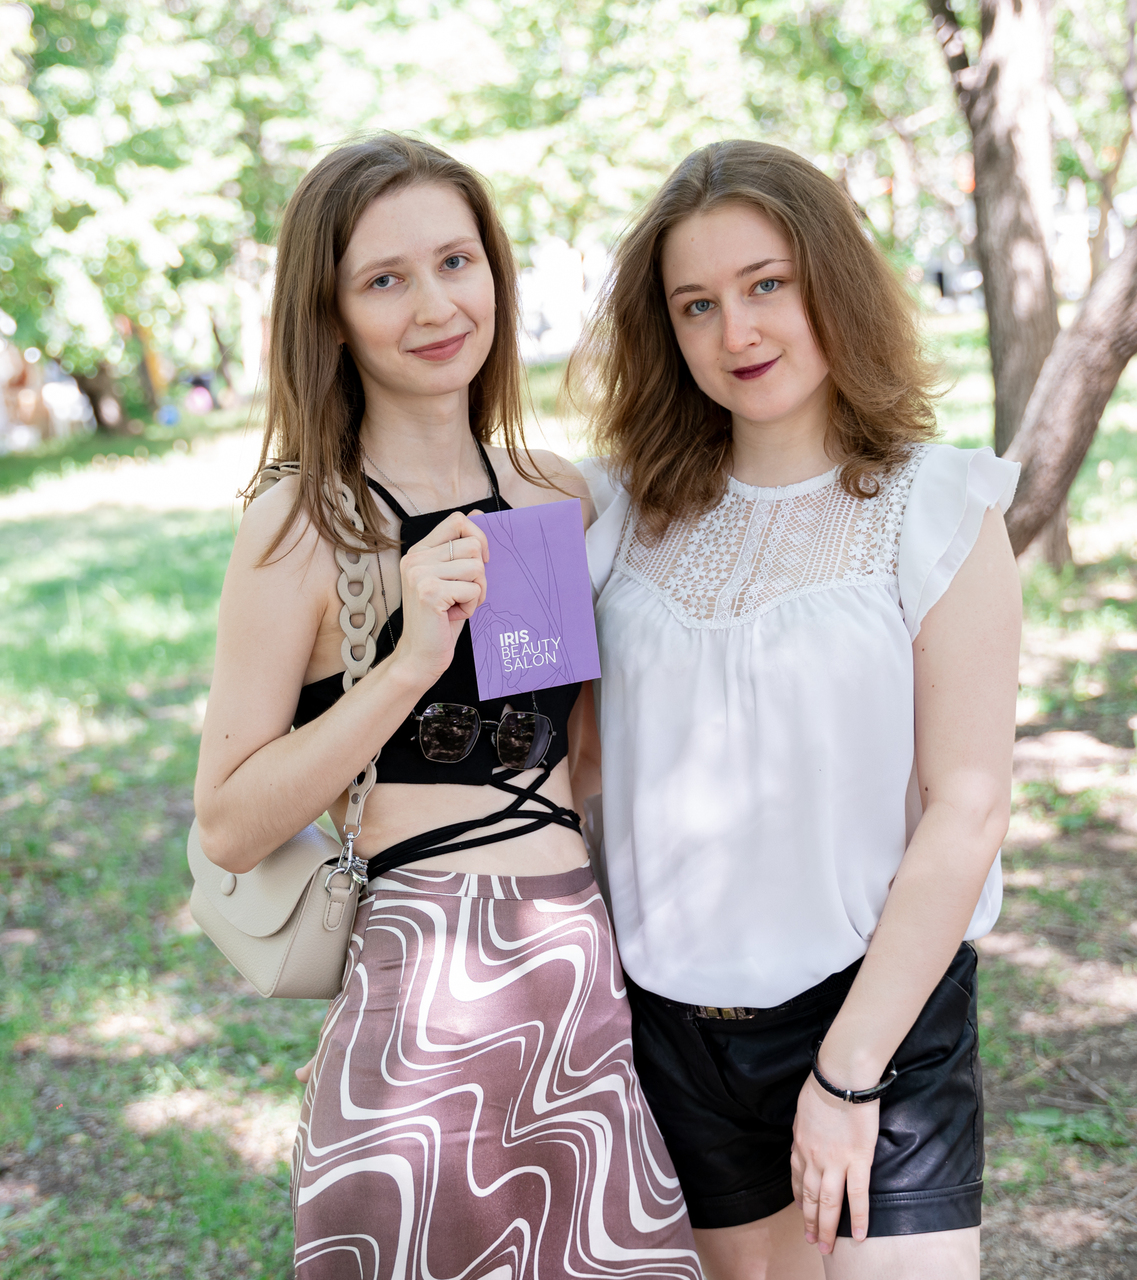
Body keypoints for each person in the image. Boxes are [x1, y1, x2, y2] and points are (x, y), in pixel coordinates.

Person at [192, 133, 701, 1279]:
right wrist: (410, 660)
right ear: (331, 316)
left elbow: (574, 762)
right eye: (385, 278)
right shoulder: (300, 527)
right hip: (424, 997)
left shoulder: (551, 497)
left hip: (578, 975)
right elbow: (228, 822)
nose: (434, 305)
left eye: (456, 262)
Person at [574, 139, 1021, 1279]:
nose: (738, 332)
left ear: (831, 279)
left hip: (878, 1016)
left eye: (766, 283)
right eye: (697, 304)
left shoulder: (935, 504)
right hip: (674, 1032)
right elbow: (571, 768)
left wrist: (846, 1075)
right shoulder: (615, 514)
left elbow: (968, 808)